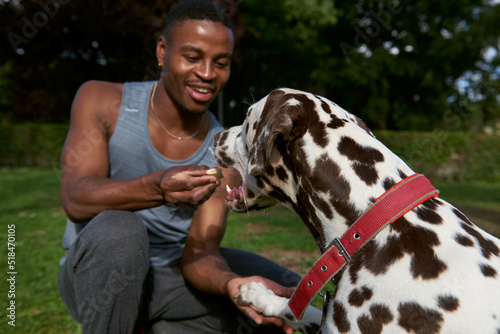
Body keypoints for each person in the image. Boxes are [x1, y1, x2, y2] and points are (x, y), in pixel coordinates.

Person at [57, 0, 300, 333]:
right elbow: (75, 197)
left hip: (171, 283)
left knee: (288, 288)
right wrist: (158, 187)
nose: (207, 74)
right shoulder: (102, 101)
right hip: (96, 280)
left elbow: (201, 252)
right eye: (192, 57)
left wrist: (233, 284)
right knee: (121, 231)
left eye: (221, 63)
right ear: (162, 51)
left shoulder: (224, 151)